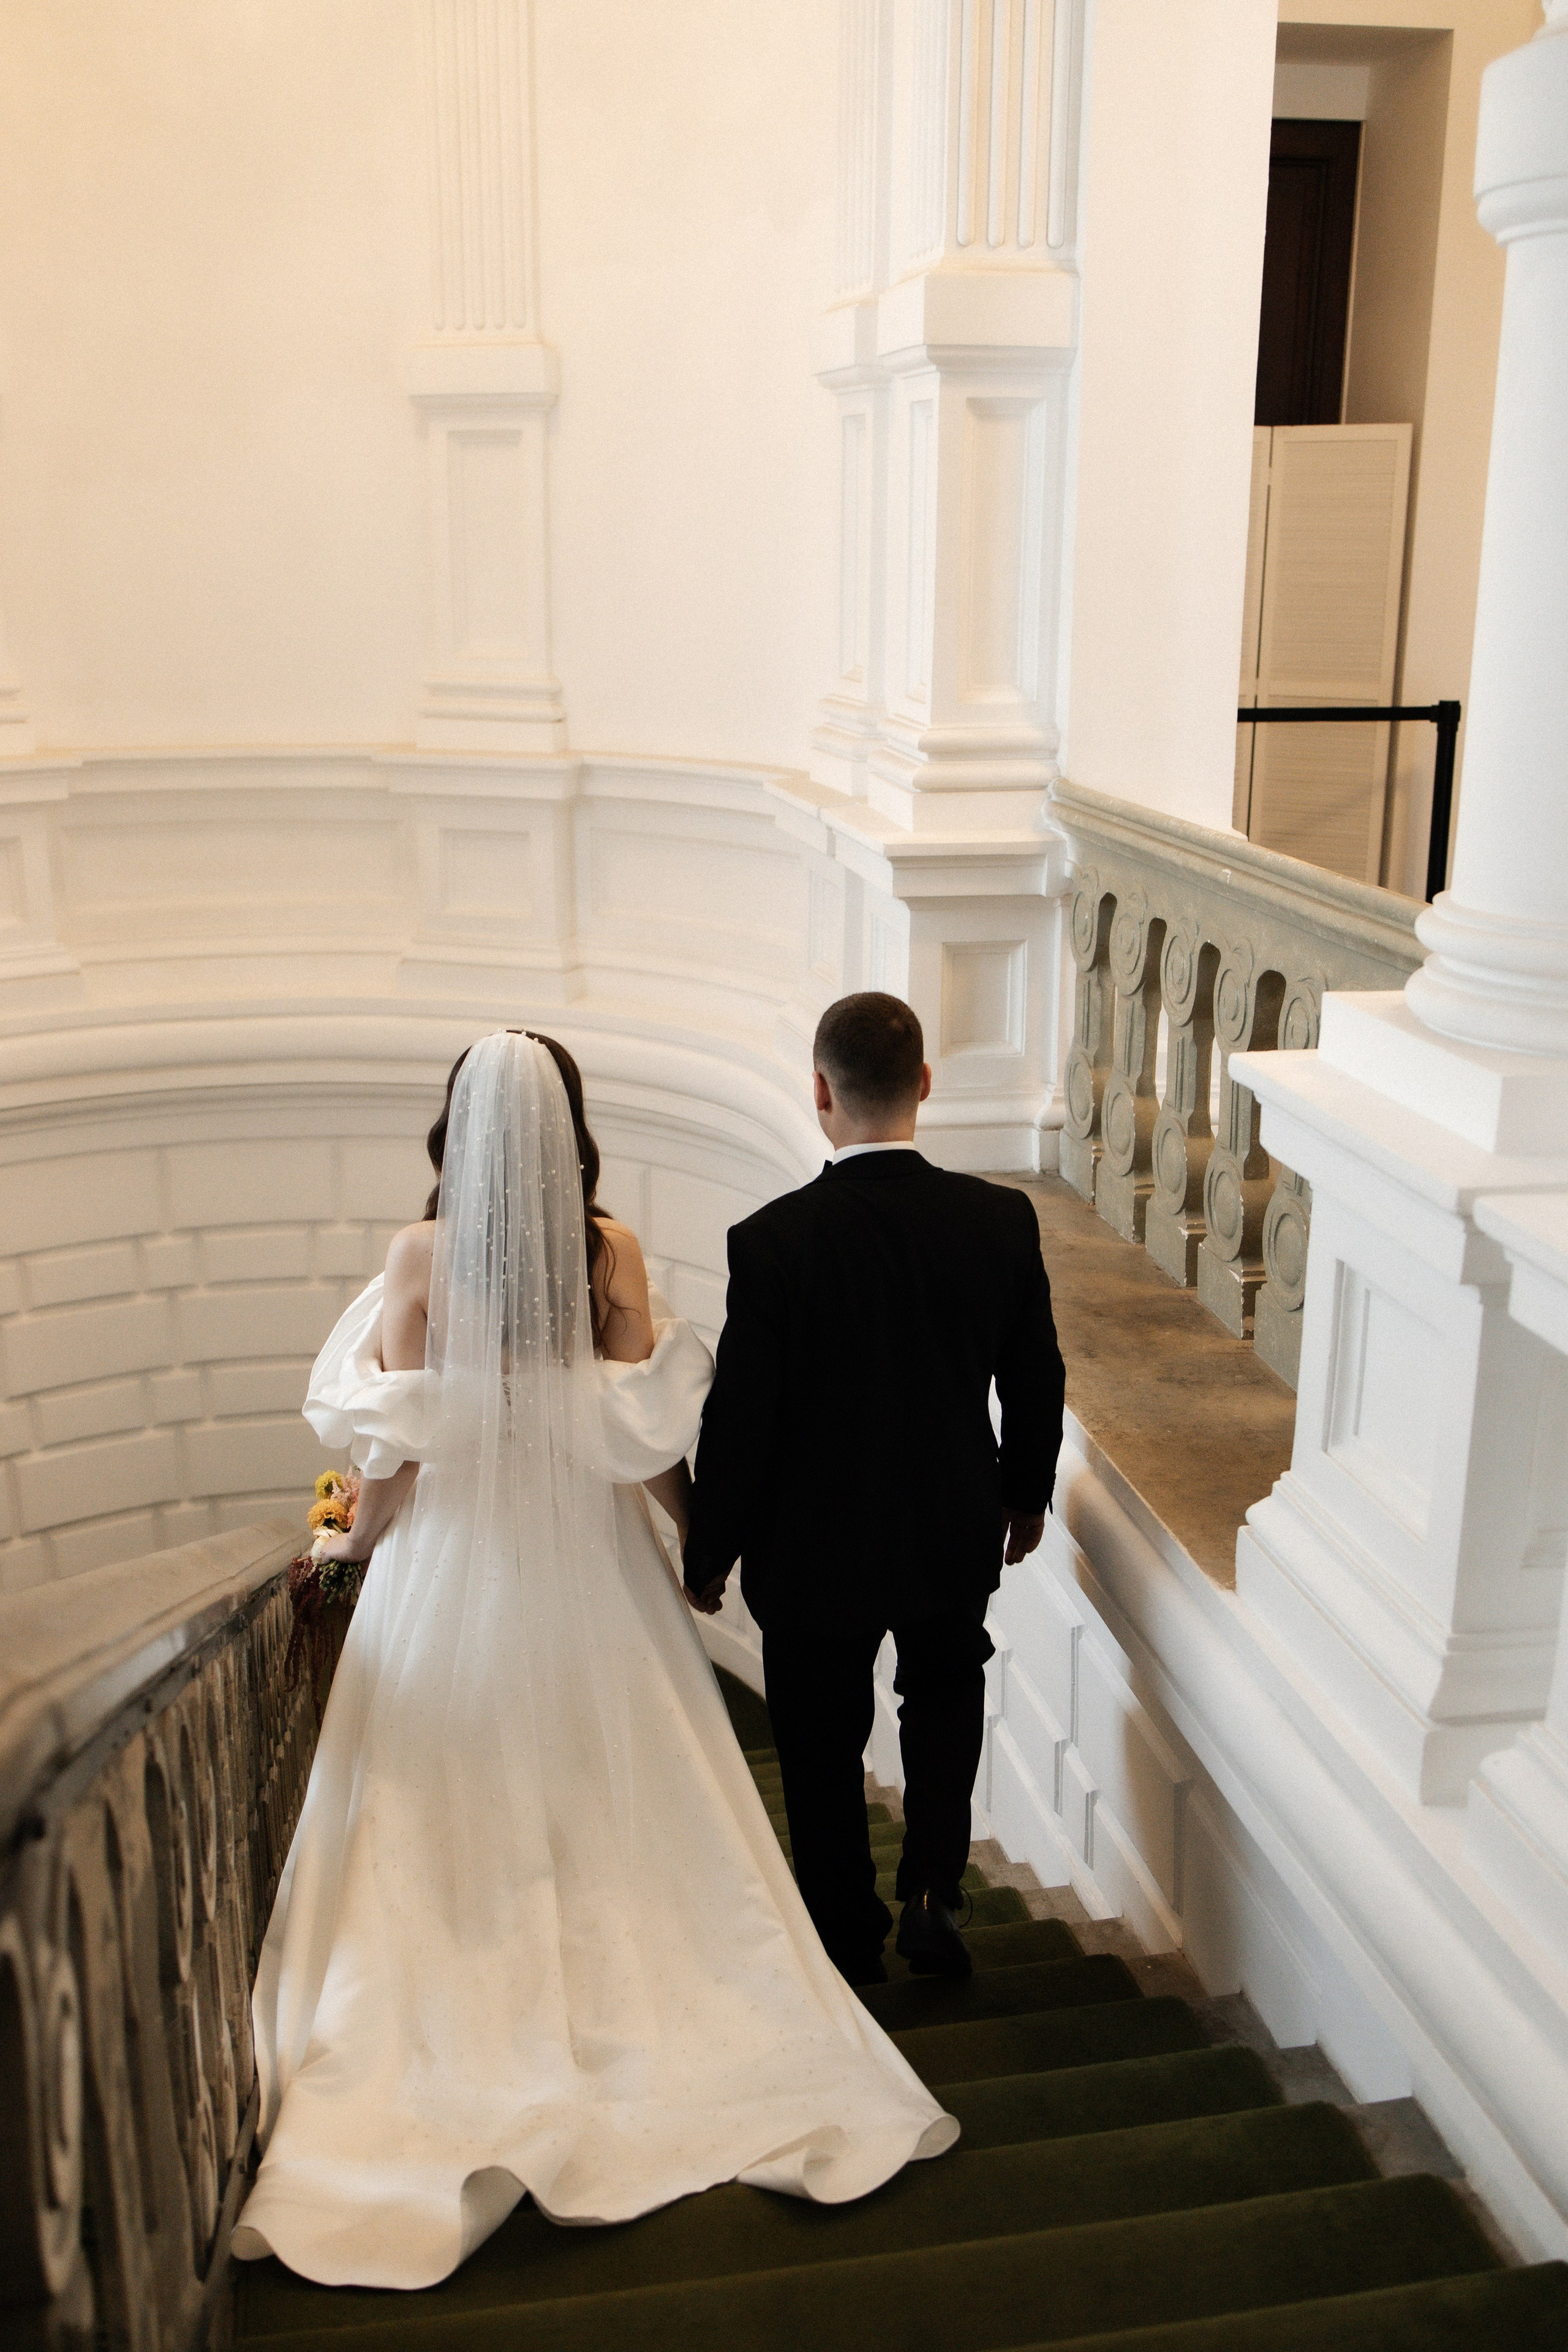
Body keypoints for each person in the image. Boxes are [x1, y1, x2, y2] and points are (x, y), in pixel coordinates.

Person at [232, 1030, 954, 2291]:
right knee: (609, 1776)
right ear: (567, 1129)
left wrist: (337, 1546)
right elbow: (640, 1434)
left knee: (436, 1795)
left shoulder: (418, 1257)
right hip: (588, 1558)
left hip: (450, 1566)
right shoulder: (606, 1251)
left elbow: (392, 1456)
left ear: (455, 1129)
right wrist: (694, 1547)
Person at [682, 992, 1066, 1988]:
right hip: (950, 1525)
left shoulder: (772, 1241)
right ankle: (935, 1895)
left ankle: (846, 1932)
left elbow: (743, 1416)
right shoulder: (998, 1220)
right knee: (944, 1697)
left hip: (812, 1546)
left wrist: (709, 1546)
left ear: (820, 1091)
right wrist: (1026, 1496)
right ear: (925, 1085)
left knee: (816, 1739)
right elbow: (1036, 1374)